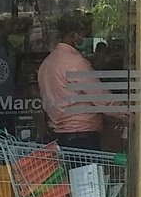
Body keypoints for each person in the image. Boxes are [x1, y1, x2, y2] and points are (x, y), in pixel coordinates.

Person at [37, 20, 102, 150]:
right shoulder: (75, 62)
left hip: (60, 133)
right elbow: (99, 95)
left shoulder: (46, 63)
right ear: (73, 35)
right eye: (83, 34)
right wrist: (125, 113)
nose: (84, 37)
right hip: (82, 134)